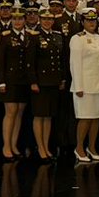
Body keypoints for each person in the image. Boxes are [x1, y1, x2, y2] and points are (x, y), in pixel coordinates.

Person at [70, 10, 99, 162]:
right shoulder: (77, 39)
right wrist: (78, 86)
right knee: (85, 118)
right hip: (85, 85)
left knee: (96, 118)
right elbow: (75, 64)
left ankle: (92, 148)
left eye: (93, 20)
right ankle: (79, 148)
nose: (91, 23)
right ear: (82, 22)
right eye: (88, 20)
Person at [27, 11, 68, 160]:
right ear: (39, 19)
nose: (47, 21)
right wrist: (33, 81)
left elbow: (61, 60)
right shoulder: (34, 36)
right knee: (39, 115)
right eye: (44, 19)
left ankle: (46, 145)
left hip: (54, 81)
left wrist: (62, 79)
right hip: (40, 82)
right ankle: (40, 147)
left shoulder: (58, 36)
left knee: (49, 115)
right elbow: (30, 62)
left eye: (50, 19)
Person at [0, 8, 33, 159]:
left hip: (24, 80)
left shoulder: (30, 36)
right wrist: (1, 82)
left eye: (20, 18)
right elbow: (0, 61)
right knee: (10, 112)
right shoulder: (5, 37)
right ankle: (6, 146)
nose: (17, 21)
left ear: (25, 20)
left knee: (19, 113)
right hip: (9, 80)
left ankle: (14, 144)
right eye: (15, 18)